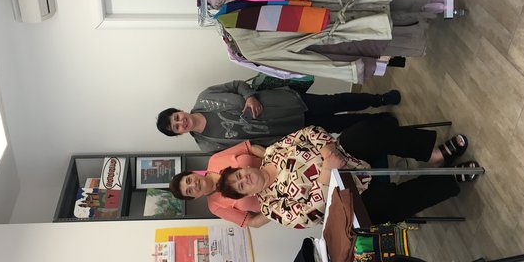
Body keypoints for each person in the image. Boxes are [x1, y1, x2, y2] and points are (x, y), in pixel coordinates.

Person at [217, 119, 479, 229]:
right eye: (241, 187)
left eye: (239, 175)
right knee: (378, 211)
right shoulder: (270, 205)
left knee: (365, 133)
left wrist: (328, 150)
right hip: (344, 195)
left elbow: (307, 132)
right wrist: (326, 172)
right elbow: (307, 217)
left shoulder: (273, 152)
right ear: (247, 194)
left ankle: (434, 155)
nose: (244, 180)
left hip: (343, 156)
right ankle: (447, 179)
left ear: (245, 167)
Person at [156, 80, 401, 152]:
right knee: (335, 125)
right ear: (179, 133)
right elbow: (245, 149)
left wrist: (250, 97)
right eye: (176, 127)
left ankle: (379, 99)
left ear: (179, 111)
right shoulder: (207, 145)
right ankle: (379, 121)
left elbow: (238, 85)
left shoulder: (205, 96)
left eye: (176, 117)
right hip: (283, 131)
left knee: (334, 102)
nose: (180, 122)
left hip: (281, 104)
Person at [168, 141, 270, 228]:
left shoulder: (215, 159)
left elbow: (250, 148)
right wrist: (275, 209)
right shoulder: (215, 207)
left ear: (192, 173)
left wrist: (272, 161)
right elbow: (252, 222)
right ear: (194, 197)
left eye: (188, 180)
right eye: (189, 191)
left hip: (275, 165)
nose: (194, 185)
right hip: (277, 196)